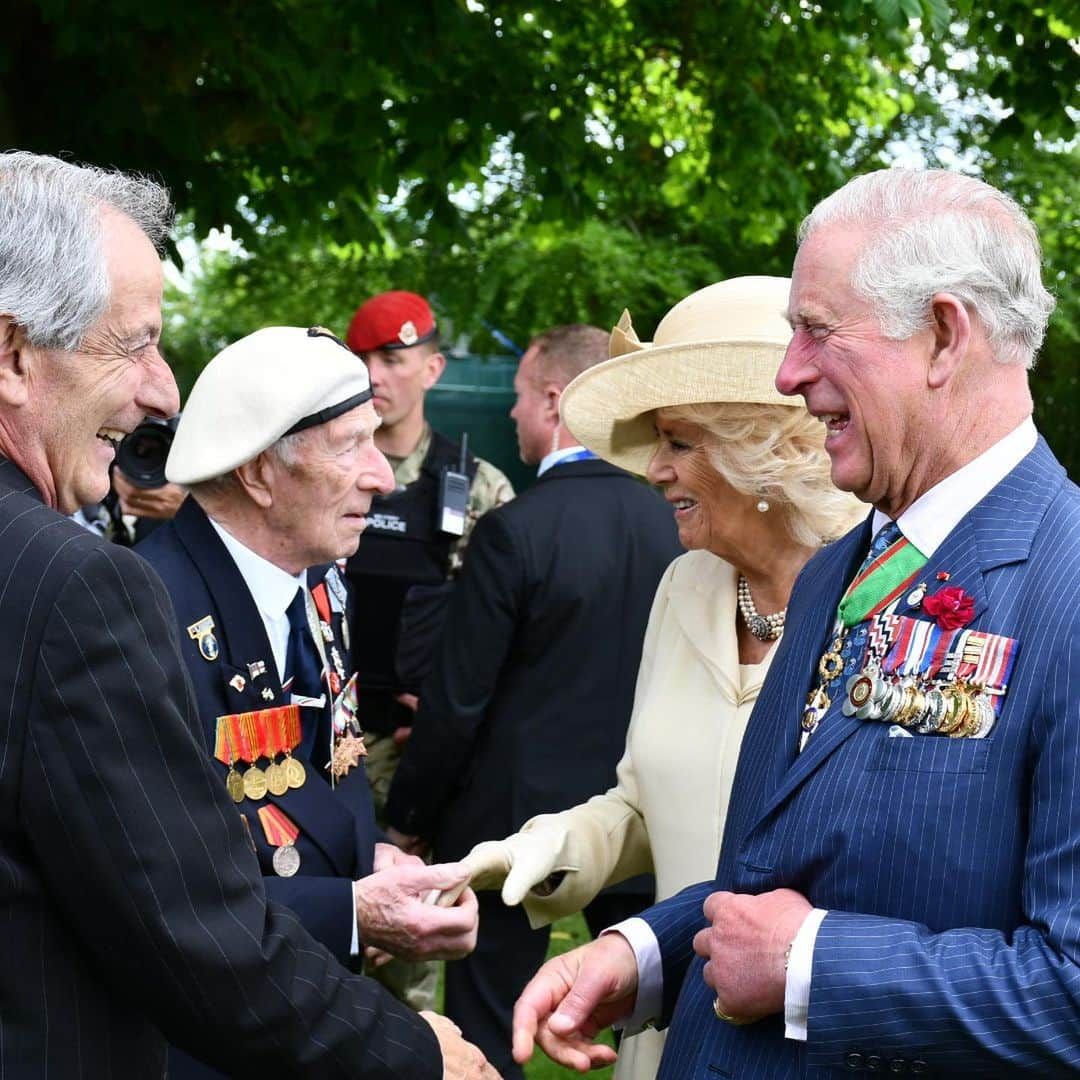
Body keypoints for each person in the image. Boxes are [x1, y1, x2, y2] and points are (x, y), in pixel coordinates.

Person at [512, 167, 1080, 1078]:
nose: (789, 375)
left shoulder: (1068, 581)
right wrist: (645, 953)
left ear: (943, 335)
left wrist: (811, 967)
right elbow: (767, 880)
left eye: (817, 331)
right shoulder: (837, 574)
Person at [0, 150, 494, 1078]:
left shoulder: (316, 588)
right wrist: (380, 972)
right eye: (131, 342)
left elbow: (319, 786)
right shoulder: (111, 598)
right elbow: (173, 913)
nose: (162, 392)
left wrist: (372, 875)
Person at [461, 276, 863, 1080]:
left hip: (810, 1045)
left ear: (764, 445)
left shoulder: (886, 599)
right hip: (669, 1026)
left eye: (678, 442)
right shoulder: (687, 586)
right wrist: (533, 850)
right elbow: (644, 802)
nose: (653, 472)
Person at [136, 327, 483, 1077]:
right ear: (262, 472)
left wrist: (377, 867)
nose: (381, 477)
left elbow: (329, 765)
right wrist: (355, 911)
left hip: (302, 994)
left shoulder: (319, 577)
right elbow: (164, 893)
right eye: (350, 445)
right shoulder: (147, 612)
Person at [384, 323, 683, 1078]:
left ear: (553, 401)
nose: (513, 415)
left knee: (489, 1029)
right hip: (647, 818)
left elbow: (458, 701)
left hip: (517, 824)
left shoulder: (514, 529)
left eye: (519, 397)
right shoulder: (674, 522)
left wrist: (412, 819)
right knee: (662, 1022)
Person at [343, 289, 515, 1011]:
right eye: (362, 359)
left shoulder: (475, 487)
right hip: (323, 744)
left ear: (433, 368)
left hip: (417, 756)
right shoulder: (320, 469)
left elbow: (498, 635)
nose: (375, 374)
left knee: (403, 971)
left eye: (392, 356)